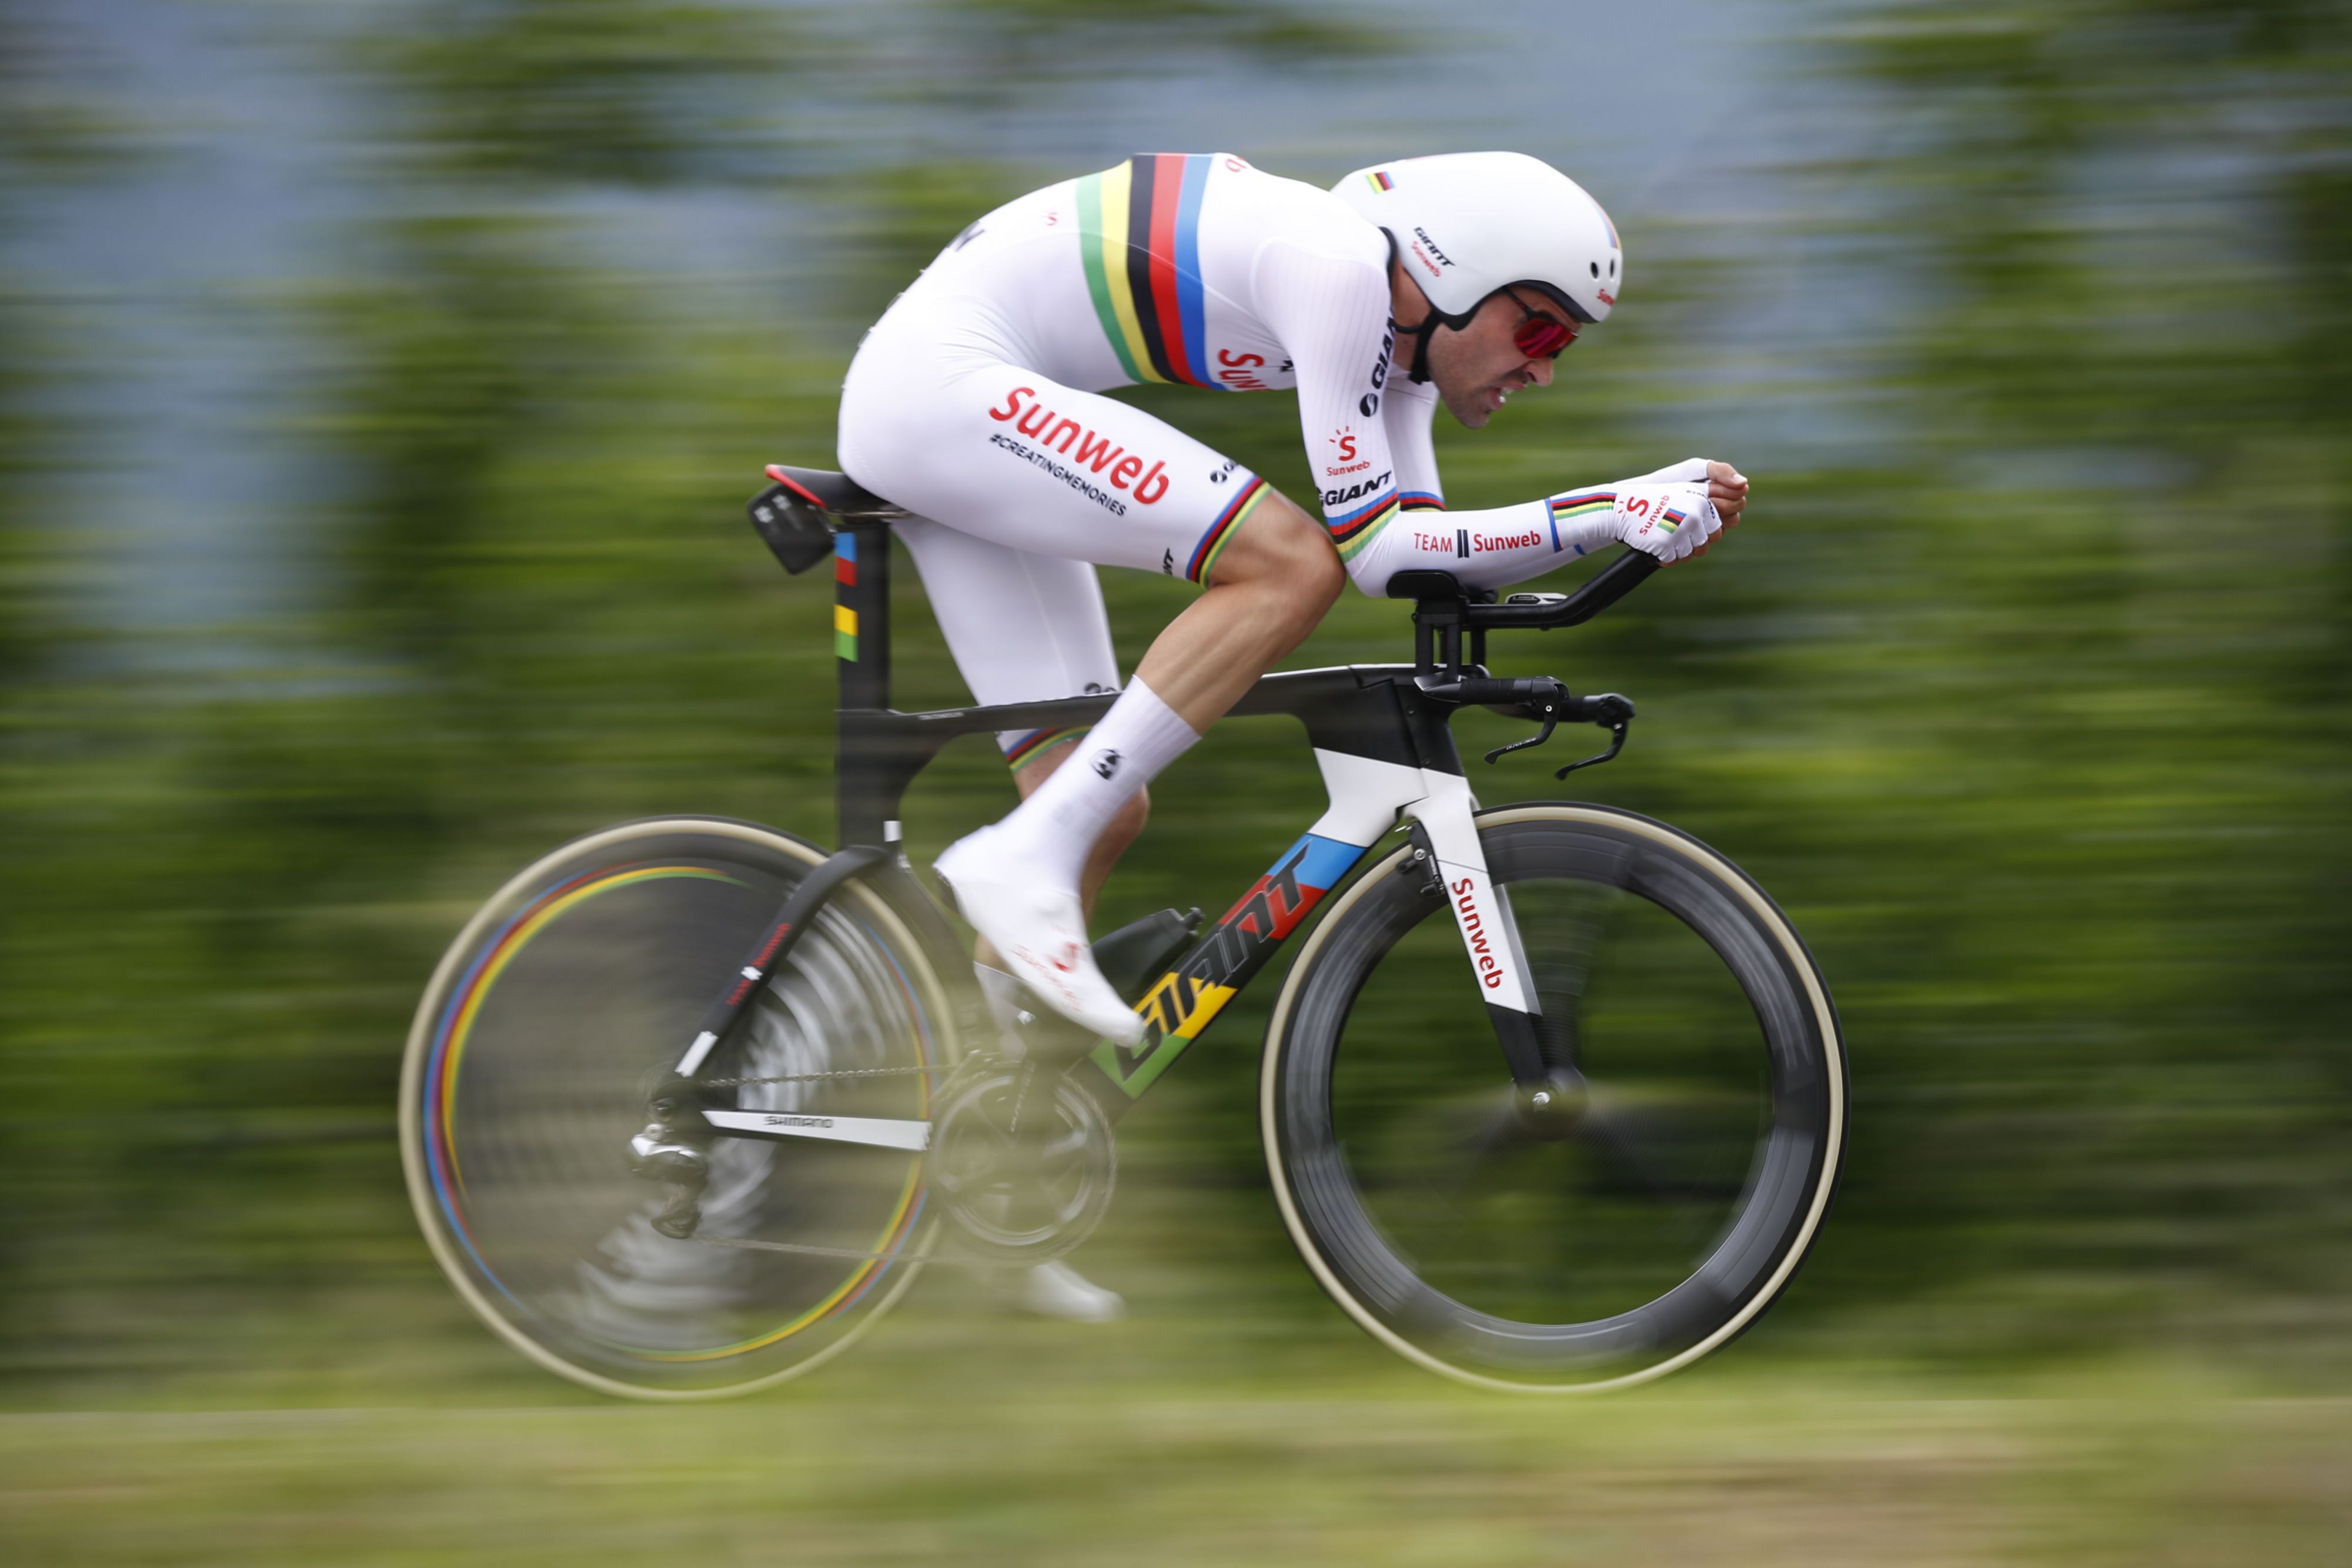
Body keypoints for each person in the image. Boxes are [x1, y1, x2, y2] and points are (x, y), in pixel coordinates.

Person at [836, 152, 1748, 1319]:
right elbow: (1362, 551)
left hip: (967, 409)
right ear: (1454, 274)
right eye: (1536, 328)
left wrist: (1610, 533)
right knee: (1282, 562)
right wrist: (1604, 509)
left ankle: (983, 1191)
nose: (1541, 369)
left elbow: (1420, 553)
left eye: (1562, 346)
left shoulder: (1397, 352)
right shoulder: (1338, 273)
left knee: (1101, 802)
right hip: (942, 390)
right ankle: (1018, 859)